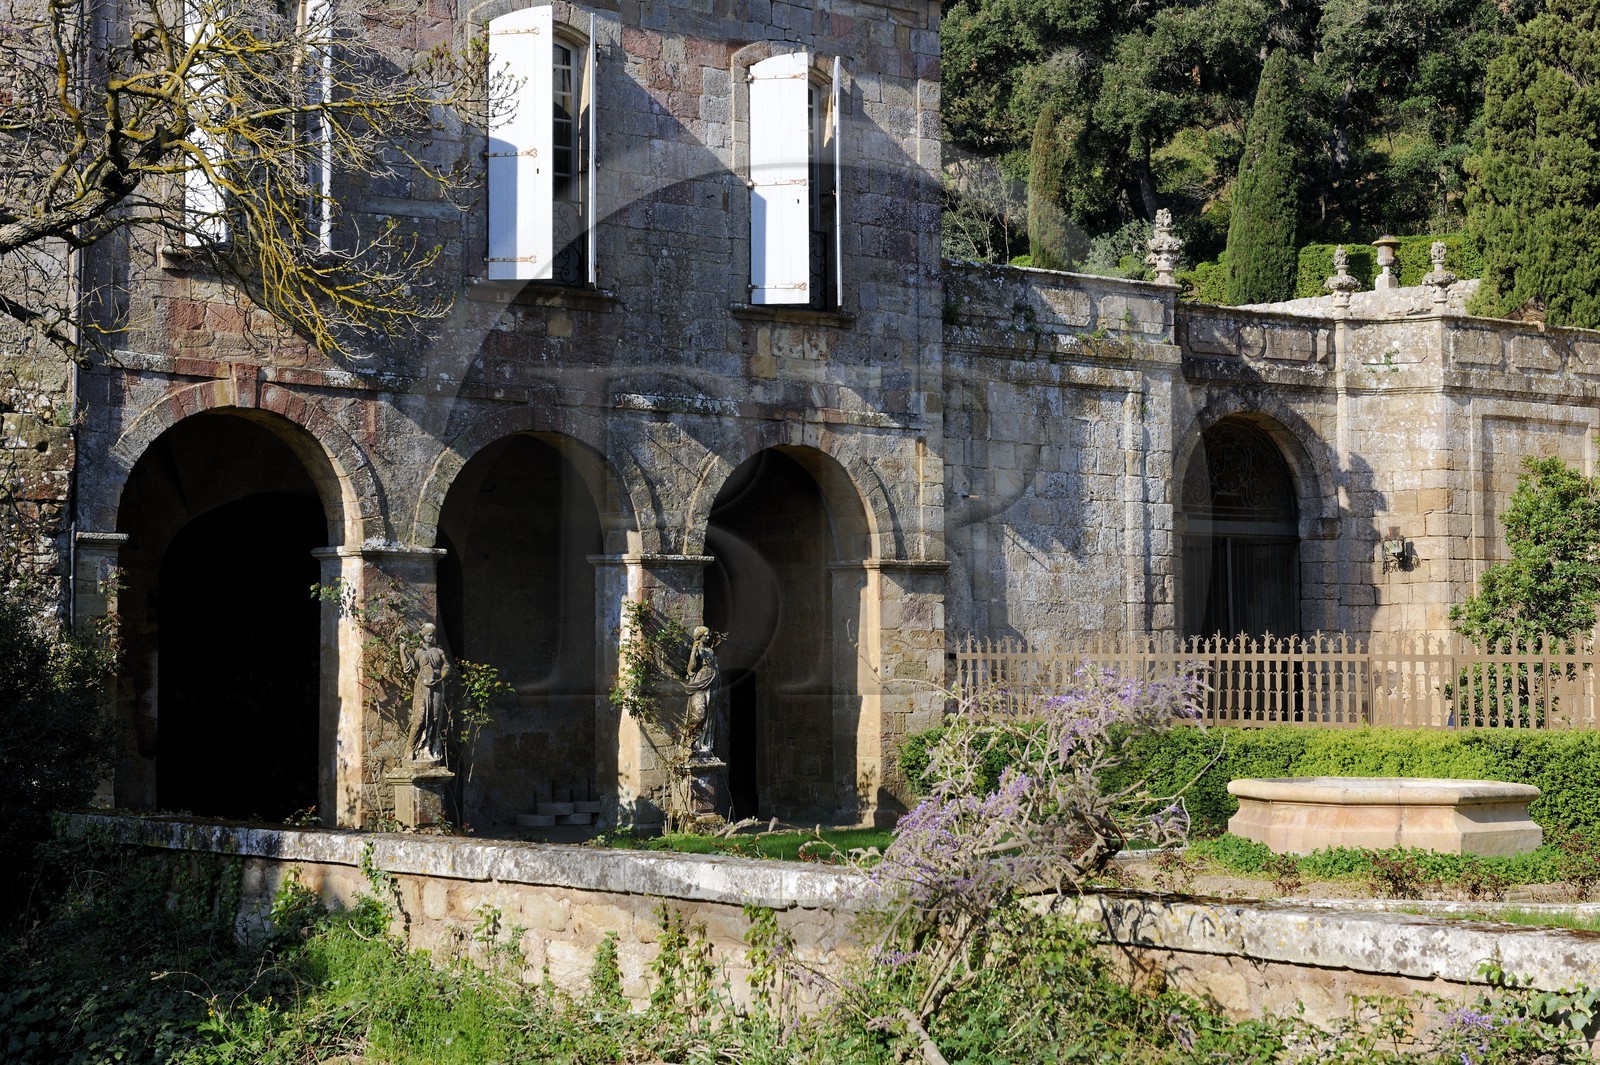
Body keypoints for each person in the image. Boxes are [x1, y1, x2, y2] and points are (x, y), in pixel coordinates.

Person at [408, 623, 452, 765]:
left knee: (435, 717)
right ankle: (411, 749)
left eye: (433, 635)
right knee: (420, 718)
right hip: (422, 686)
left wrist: (442, 676)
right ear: (423, 635)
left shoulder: (438, 650)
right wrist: (403, 651)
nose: (431, 637)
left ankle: (428, 747)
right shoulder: (418, 651)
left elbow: (446, 665)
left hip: (437, 685)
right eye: (428, 634)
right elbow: (411, 667)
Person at [682, 625, 721, 758]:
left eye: (709, 634)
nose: (709, 637)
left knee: (709, 716)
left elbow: (715, 667)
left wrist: (718, 681)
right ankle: (689, 742)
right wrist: (693, 652)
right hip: (699, 684)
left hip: (712, 684)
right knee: (699, 714)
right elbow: (691, 669)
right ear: (700, 636)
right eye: (706, 635)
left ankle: (702, 743)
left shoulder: (710, 651)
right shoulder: (697, 650)